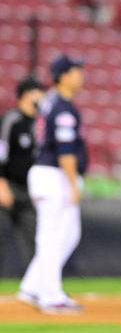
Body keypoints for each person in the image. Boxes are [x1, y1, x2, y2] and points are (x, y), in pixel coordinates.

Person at [18, 55, 87, 314]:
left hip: (46, 174)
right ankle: (51, 296)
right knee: (51, 237)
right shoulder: (62, 107)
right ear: (63, 76)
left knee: (67, 235)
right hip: (54, 175)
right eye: (76, 70)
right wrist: (72, 184)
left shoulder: (49, 102)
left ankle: (32, 286)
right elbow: (65, 150)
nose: (80, 75)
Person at [0, 78, 44, 274]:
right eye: (37, 91)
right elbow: (1, 152)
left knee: (33, 241)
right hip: (8, 186)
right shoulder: (12, 120)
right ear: (26, 94)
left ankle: (33, 286)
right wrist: (1, 184)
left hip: (30, 191)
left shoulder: (40, 123)